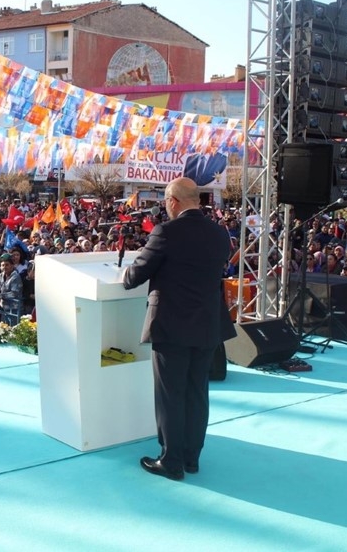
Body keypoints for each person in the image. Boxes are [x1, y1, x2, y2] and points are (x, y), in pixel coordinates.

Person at [121, 177, 233, 481]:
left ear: (173, 201)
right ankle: (191, 458)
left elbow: (134, 277)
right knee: (197, 392)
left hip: (172, 324)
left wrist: (128, 270)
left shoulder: (166, 232)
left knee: (171, 394)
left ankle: (171, 461)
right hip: (207, 323)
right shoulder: (219, 233)